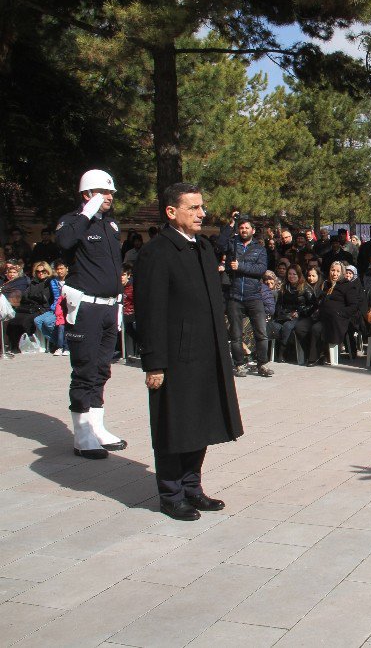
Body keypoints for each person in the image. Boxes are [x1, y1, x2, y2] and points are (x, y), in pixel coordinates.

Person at [134, 182, 243, 521]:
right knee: (173, 425)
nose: (202, 213)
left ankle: (192, 487)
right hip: (174, 357)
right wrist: (154, 363)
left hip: (206, 352)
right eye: (194, 208)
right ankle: (171, 494)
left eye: (202, 207)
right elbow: (150, 313)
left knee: (200, 423)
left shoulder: (204, 249)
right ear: (171, 212)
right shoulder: (156, 253)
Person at [54, 169, 127, 459]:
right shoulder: (72, 222)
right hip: (86, 306)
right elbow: (64, 244)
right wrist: (87, 213)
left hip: (110, 306)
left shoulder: (110, 225)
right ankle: (82, 432)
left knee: (102, 368)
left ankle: (97, 426)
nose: (109, 197)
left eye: (110, 193)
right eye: (103, 192)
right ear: (87, 194)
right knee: (84, 368)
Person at [215, 215, 273, 378]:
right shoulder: (233, 245)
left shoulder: (260, 249)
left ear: (253, 231)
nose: (244, 230)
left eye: (247, 227)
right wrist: (231, 224)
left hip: (254, 295)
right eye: (241, 228)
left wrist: (241, 266)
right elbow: (219, 244)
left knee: (261, 332)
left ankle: (262, 363)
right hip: (235, 295)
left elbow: (261, 269)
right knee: (235, 334)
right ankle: (239, 364)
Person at [308, 261, 364, 366]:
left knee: (328, 327)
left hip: (339, 319)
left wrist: (340, 313)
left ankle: (327, 354)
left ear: (342, 273)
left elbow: (354, 306)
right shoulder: (326, 284)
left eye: (338, 271)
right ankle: (315, 357)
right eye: (333, 270)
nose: (335, 273)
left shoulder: (348, 286)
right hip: (324, 318)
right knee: (315, 328)